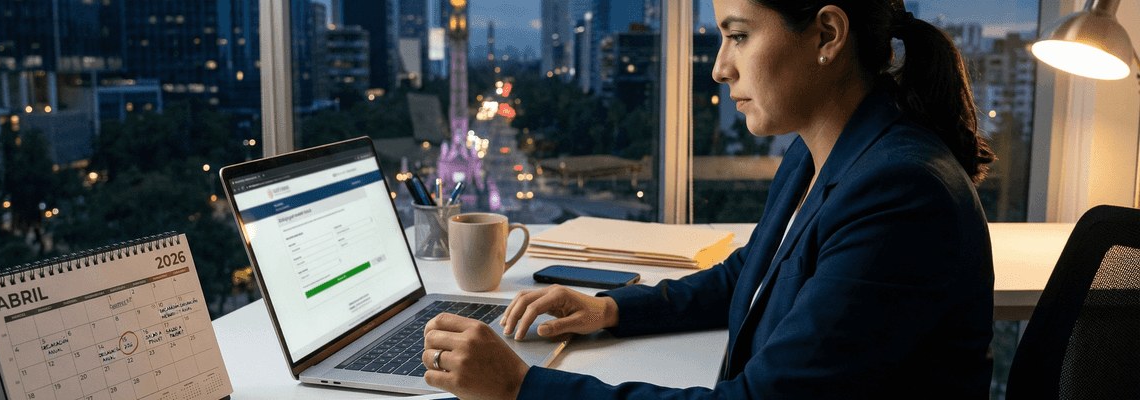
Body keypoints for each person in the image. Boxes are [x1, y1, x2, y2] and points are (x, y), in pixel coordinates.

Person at [419, 0, 998, 398]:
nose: (720, 68)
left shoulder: (899, 196)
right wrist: (612, 310)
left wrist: (520, 387)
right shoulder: (820, 152)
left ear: (827, 34)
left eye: (739, 35)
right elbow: (753, 274)